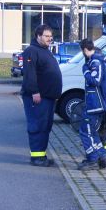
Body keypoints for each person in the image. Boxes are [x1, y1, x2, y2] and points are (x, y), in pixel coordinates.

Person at [21, 24, 62, 166]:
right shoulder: (32, 51)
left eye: (51, 36)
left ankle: (41, 155)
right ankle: (36, 157)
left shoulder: (44, 50)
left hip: (47, 97)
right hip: (38, 97)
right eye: (46, 36)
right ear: (38, 36)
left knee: (45, 125)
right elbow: (30, 74)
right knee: (37, 125)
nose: (49, 39)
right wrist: (34, 92)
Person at [77, 38, 106, 171]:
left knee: (87, 131)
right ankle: (104, 158)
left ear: (84, 50)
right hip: (105, 104)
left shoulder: (95, 62)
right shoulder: (104, 60)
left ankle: (95, 158)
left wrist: (85, 70)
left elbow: (95, 81)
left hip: (96, 105)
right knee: (100, 133)